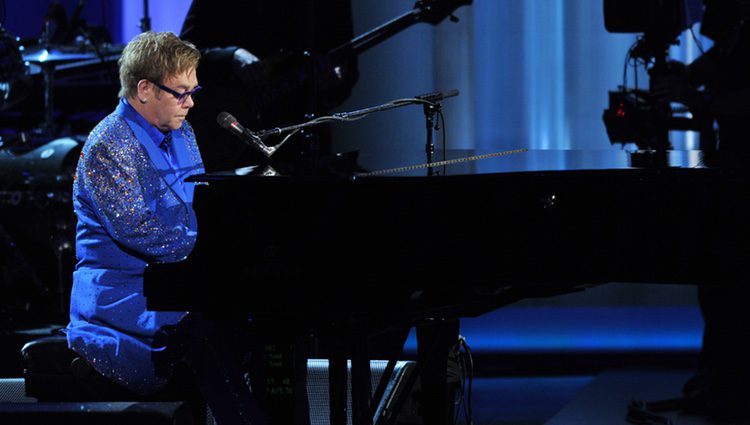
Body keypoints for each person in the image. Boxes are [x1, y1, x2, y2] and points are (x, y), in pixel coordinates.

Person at [64, 31, 267, 425]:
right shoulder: (108, 144)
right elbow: (138, 230)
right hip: (125, 296)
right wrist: (216, 253)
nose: (191, 103)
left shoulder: (182, 132)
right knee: (209, 333)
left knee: (261, 325)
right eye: (180, 92)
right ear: (144, 89)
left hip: (178, 281)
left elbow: (200, 203)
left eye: (194, 90)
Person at [652, 0, 750, 419]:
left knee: (732, 287)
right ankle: (717, 383)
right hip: (730, 174)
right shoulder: (736, 25)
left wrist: (695, 96)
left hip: (742, 178)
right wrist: (686, 81)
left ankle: (728, 390)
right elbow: (719, 65)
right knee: (718, 285)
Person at [179, 0, 359, 171]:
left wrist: (332, 83)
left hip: (301, 143)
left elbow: (347, 73)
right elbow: (183, 53)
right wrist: (231, 56)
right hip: (232, 146)